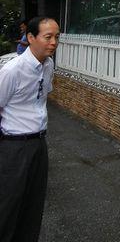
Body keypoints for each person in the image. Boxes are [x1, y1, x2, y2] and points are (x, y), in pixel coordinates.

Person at [0, 16, 60, 242]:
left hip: (39, 144)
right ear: (31, 37)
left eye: (57, 37)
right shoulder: (12, 70)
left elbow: (41, 98)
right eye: (48, 37)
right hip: (14, 147)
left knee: (33, 206)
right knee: (8, 206)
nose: (53, 42)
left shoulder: (48, 65)